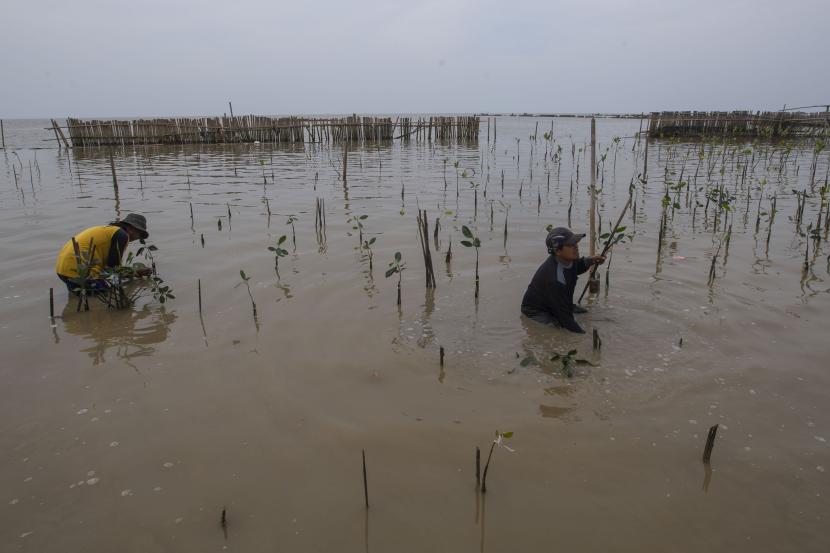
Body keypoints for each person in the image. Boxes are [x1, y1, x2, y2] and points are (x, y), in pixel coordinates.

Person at [521, 227, 605, 333]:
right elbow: (566, 320)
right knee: (556, 328)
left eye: (575, 243)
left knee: (583, 313)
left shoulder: (568, 259)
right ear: (558, 251)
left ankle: (567, 307)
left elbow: (576, 267)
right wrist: (584, 337)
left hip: (557, 301)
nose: (576, 247)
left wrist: (590, 261)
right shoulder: (554, 279)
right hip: (537, 311)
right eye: (570, 245)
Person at [55, 213, 151, 294]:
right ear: (132, 228)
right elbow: (113, 269)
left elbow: (107, 269)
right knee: (110, 294)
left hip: (62, 271)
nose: (138, 238)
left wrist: (133, 273)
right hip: (79, 272)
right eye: (140, 234)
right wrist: (134, 273)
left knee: (84, 299)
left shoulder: (109, 231)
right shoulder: (122, 235)